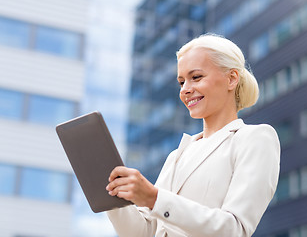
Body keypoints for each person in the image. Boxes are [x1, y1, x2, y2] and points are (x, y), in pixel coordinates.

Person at [106, 34, 280, 237]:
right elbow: (143, 232)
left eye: (196, 77)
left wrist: (154, 198)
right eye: (181, 82)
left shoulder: (255, 139)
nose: (185, 90)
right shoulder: (177, 155)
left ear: (231, 79)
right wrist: (109, 193)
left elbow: (234, 229)